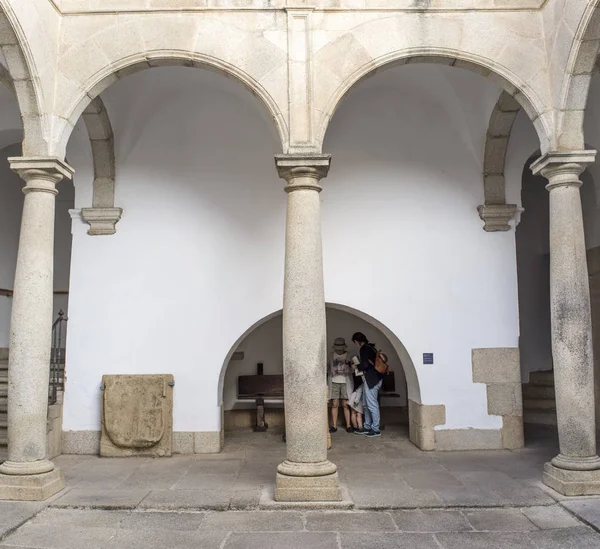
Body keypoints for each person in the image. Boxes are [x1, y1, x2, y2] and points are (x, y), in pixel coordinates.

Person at [352, 331, 383, 437]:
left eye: (354, 343)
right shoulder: (371, 347)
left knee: (372, 405)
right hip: (373, 379)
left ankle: (375, 429)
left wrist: (356, 366)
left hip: (372, 380)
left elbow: (365, 365)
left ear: (356, 341)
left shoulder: (364, 349)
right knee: (366, 404)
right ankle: (367, 426)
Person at [327, 337, 354, 433]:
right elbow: (327, 367)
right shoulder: (331, 355)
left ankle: (348, 425)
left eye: (341, 348)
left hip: (345, 382)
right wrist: (331, 370)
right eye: (337, 348)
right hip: (334, 380)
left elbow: (354, 368)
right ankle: (333, 426)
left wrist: (348, 367)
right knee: (334, 404)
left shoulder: (349, 355)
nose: (339, 350)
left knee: (345, 404)